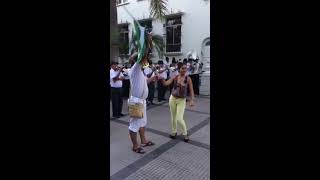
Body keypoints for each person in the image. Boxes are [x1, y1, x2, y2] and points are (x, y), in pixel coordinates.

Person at [128, 53, 157, 154]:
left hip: (142, 101)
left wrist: (152, 79)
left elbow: (145, 82)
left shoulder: (140, 72)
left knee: (142, 123)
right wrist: (144, 46)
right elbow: (134, 57)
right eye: (143, 61)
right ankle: (135, 146)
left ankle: (143, 141)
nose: (145, 62)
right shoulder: (135, 69)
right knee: (134, 125)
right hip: (136, 101)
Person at [159, 62, 195, 142]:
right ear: (179, 69)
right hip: (172, 98)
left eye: (185, 68)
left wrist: (192, 100)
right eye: (183, 68)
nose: (184, 70)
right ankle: (174, 132)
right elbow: (166, 83)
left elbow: (191, 90)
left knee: (179, 118)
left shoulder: (188, 78)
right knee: (173, 117)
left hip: (181, 100)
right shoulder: (175, 77)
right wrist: (161, 79)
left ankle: (185, 134)